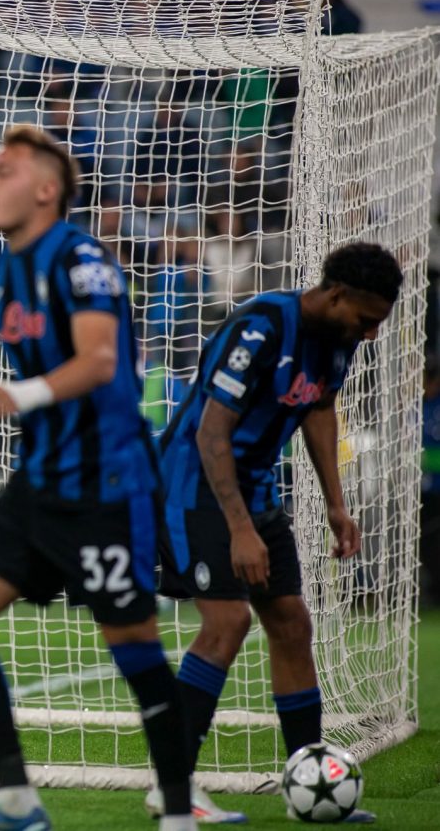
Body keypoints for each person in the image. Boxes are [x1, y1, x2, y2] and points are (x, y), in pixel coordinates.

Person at [0, 125, 195, 831]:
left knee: (136, 655)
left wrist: (22, 395)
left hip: (106, 488)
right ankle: (17, 801)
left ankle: (177, 815)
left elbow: (100, 361)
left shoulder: (81, 259)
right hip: (38, 484)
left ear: (46, 190)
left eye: (4, 170)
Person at [156, 242, 401, 825]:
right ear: (335, 294)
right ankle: (172, 790)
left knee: (291, 622)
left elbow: (319, 409)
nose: (370, 334)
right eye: (366, 319)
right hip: (195, 486)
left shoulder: (338, 340)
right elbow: (211, 434)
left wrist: (337, 505)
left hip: (256, 490)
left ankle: (307, 781)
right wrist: (240, 531)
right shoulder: (263, 327)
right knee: (229, 620)